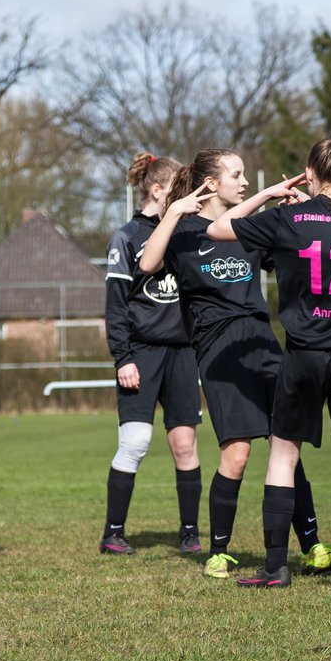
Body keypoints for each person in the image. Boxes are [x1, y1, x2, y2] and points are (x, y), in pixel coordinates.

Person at [138, 149, 331, 579]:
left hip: (263, 342)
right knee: (238, 452)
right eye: (237, 174)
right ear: (211, 184)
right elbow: (147, 263)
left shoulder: (247, 231)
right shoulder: (184, 230)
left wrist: (305, 213)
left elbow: (300, 254)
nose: (244, 181)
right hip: (219, 349)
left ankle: (312, 545)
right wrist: (172, 213)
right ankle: (219, 550)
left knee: (286, 446)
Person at [207, 134, 331, 589]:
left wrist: (266, 196)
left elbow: (216, 228)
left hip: (303, 354)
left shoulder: (286, 218)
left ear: (309, 173)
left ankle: (275, 567)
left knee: (284, 454)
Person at [100, 152, 203, 556]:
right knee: (137, 441)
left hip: (182, 353)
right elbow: (114, 305)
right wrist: (122, 357)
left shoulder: (185, 233)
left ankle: (190, 533)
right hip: (140, 352)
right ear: (157, 190)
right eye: (176, 190)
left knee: (185, 444)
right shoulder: (125, 237)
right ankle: (113, 532)